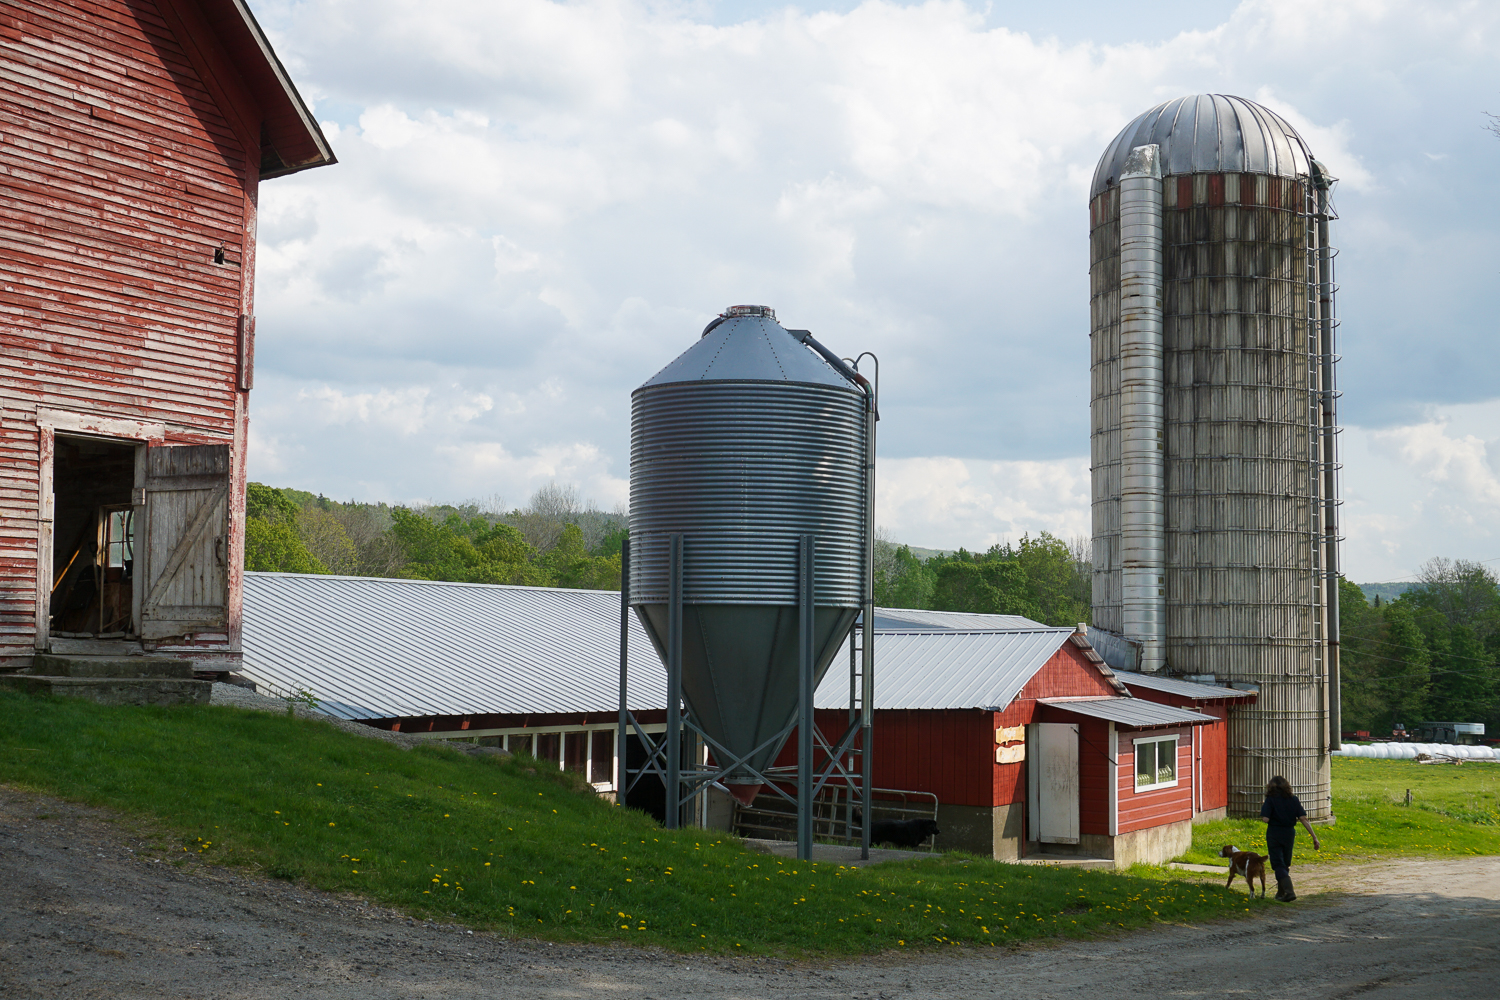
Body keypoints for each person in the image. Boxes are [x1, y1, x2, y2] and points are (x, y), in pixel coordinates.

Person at [1260, 775, 1320, 901]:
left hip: (1275, 832)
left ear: (1270, 787)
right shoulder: (1294, 799)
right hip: (1289, 833)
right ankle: (1280, 893)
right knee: (1285, 863)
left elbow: (1265, 819)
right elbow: (1303, 818)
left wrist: (1264, 809)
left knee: (1278, 864)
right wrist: (1314, 837)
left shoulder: (1270, 800)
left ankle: (1289, 892)